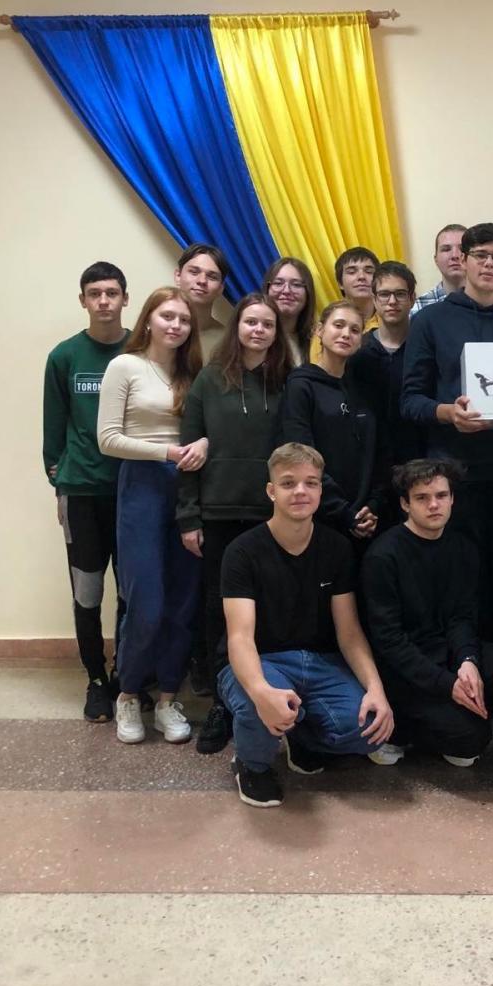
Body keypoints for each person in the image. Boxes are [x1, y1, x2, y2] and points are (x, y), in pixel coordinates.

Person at [219, 443, 395, 807]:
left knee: (368, 729)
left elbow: (349, 633)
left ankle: (299, 737)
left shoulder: (337, 548)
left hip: (319, 662)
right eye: (289, 483)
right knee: (261, 703)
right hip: (261, 660)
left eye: (310, 483)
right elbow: (240, 637)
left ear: (320, 490)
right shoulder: (242, 551)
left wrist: (376, 689)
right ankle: (251, 765)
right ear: (271, 491)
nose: (300, 491)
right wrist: (260, 690)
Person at [402, 222, 493, 644]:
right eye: (480, 255)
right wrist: (448, 413)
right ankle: (467, 662)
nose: (488, 264)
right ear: (462, 260)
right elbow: (410, 400)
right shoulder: (429, 321)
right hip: (454, 471)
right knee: (463, 572)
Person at [176, 292, 291, 754]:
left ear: (276, 333)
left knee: (268, 609)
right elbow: (189, 451)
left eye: (267, 324)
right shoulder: (208, 379)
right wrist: (189, 516)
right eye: (250, 322)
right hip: (219, 514)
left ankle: (265, 696)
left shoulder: (287, 382)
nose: (258, 330)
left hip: (271, 516)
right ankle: (223, 704)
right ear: (237, 327)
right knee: (219, 610)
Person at [97, 286, 204, 745]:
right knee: (146, 602)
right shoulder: (125, 365)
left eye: (184, 319)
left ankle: (167, 699)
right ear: (148, 320)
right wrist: (167, 452)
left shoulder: (193, 373)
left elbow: (208, 427)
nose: (176, 325)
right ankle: (128, 693)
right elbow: (107, 439)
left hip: (188, 488)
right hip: (141, 486)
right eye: (167, 316)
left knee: (182, 601)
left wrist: (203, 444)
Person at [362, 459, 493, 767]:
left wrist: (468, 661)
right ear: (405, 504)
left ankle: (452, 714)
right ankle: (399, 731)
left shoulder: (462, 546)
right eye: (422, 498)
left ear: (452, 499)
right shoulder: (383, 556)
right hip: (402, 671)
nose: (434, 505)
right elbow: (389, 642)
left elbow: (462, 616)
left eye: (441, 495)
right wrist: (447, 685)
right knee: (472, 740)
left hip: (445, 653)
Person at [43, 261, 131, 722]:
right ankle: (96, 679)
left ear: (125, 299)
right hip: (81, 493)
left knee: (132, 591)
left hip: (133, 491)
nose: (103, 301)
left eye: (111, 293)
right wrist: (59, 478)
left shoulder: (141, 349)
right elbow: (53, 426)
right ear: (83, 300)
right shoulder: (64, 356)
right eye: (95, 293)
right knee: (88, 591)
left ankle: (126, 676)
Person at [277, 300, 385, 543]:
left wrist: (373, 505)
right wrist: (344, 513)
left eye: (355, 330)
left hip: (365, 517)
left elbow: (378, 454)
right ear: (319, 330)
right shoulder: (300, 385)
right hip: (320, 517)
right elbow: (301, 455)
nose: (346, 334)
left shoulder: (365, 390)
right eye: (338, 325)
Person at [349, 262, 424, 513]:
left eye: (400, 294)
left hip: (420, 462)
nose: (392, 301)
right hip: (370, 468)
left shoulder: (425, 349)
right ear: (374, 299)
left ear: (412, 298)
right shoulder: (357, 352)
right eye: (384, 294)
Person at [175, 242, 229, 360]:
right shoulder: (157, 330)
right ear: (178, 276)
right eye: (194, 272)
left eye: (212, 277)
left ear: (221, 288)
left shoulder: (229, 343)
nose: (202, 281)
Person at [262, 255, 316, 368]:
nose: (286, 291)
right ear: (267, 289)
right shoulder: (254, 334)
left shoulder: (317, 341)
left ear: (308, 293)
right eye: (278, 283)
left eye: (296, 284)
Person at [412, 224, 466, 313]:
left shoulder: (487, 303)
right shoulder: (418, 308)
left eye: (462, 249)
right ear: (436, 259)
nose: (455, 255)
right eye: (446, 249)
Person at [335, 247, 380, 331]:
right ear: (340, 283)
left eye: (369, 271)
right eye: (352, 272)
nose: (361, 276)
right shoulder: (328, 325)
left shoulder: (393, 321)